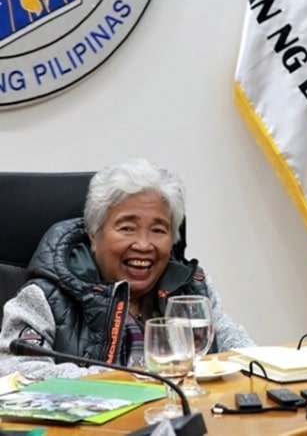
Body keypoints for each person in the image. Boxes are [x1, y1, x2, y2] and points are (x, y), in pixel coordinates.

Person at [0, 159, 254, 378]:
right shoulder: (45, 296)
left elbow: (243, 355)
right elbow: (15, 373)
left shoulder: (191, 288)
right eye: (127, 228)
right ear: (93, 235)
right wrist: (132, 381)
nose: (144, 245)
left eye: (158, 230)